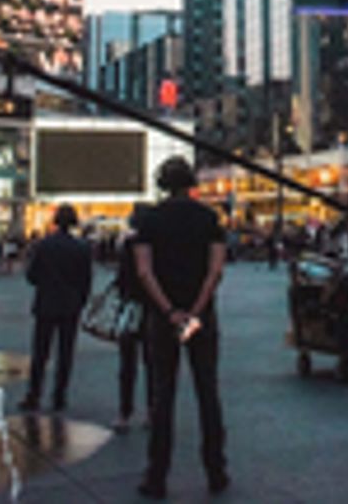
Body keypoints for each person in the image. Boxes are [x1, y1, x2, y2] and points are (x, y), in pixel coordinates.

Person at [135, 156, 229, 499]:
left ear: (162, 183)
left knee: (163, 394)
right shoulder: (209, 218)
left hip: (163, 321)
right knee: (208, 391)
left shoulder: (150, 220)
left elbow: (144, 271)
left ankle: (156, 476)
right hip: (201, 319)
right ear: (190, 183)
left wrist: (170, 311)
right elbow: (215, 270)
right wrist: (195, 311)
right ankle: (216, 470)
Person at [20, 204, 92, 414]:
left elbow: (32, 276)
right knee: (65, 353)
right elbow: (85, 280)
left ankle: (34, 394)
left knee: (40, 352)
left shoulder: (44, 245)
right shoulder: (82, 247)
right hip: (70, 306)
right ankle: (59, 396)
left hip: (46, 303)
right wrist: (80, 301)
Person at [114, 206, 153, 433]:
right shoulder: (159, 245)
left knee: (127, 363)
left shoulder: (130, 245)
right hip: (153, 306)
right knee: (153, 362)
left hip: (130, 306)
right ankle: (152, 410)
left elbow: (123, 277)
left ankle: (124, 413)